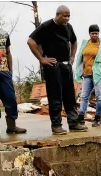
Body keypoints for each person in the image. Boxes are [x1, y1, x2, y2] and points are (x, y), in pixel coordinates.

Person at [27, 5, 88, 135]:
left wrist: (72, 57)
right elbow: (31, 41)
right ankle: (56, 125)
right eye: (65, 16)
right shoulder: (46, 26)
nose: (67, 18)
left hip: (66, 65)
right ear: (57, 14)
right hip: (52, 66)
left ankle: (73, 123)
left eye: (68, 15)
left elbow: (74, 41)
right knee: (55, 96)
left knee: (70, 95)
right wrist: (42, 59)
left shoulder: (68, 27)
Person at [74, 24, 101, 127]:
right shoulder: (85, 43)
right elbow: (80, 57)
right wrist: (78, 70)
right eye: (92, 33)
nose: (94, 35)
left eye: (96, 33)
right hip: (86, 74)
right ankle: (81, 116)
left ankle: (97, 118)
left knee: (99, 96)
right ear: (89, 34)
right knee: (84, 96)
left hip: (98, 74)